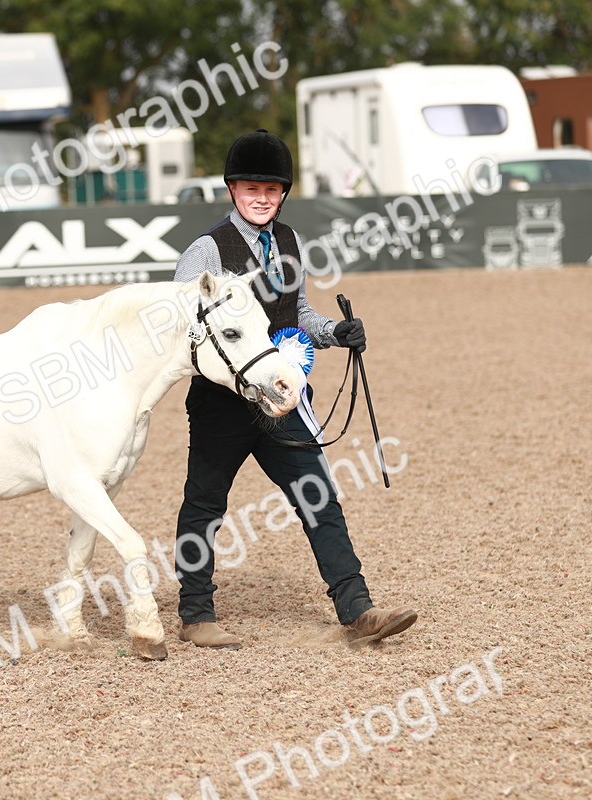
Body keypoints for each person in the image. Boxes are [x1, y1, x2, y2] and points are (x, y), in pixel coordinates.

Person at [173, 128, 417, 650]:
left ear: (283, 193)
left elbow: (297, 316)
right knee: (205, 506)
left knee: (319, 498)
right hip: (223, 405)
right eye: (250, 189)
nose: (261, 199)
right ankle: (195, 613)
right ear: (232, 190)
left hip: (281, 401)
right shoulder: (206, 251)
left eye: (271, 190)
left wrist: (335, 333)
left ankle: (357, 611)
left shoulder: (289, 242)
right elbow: (183, 327)